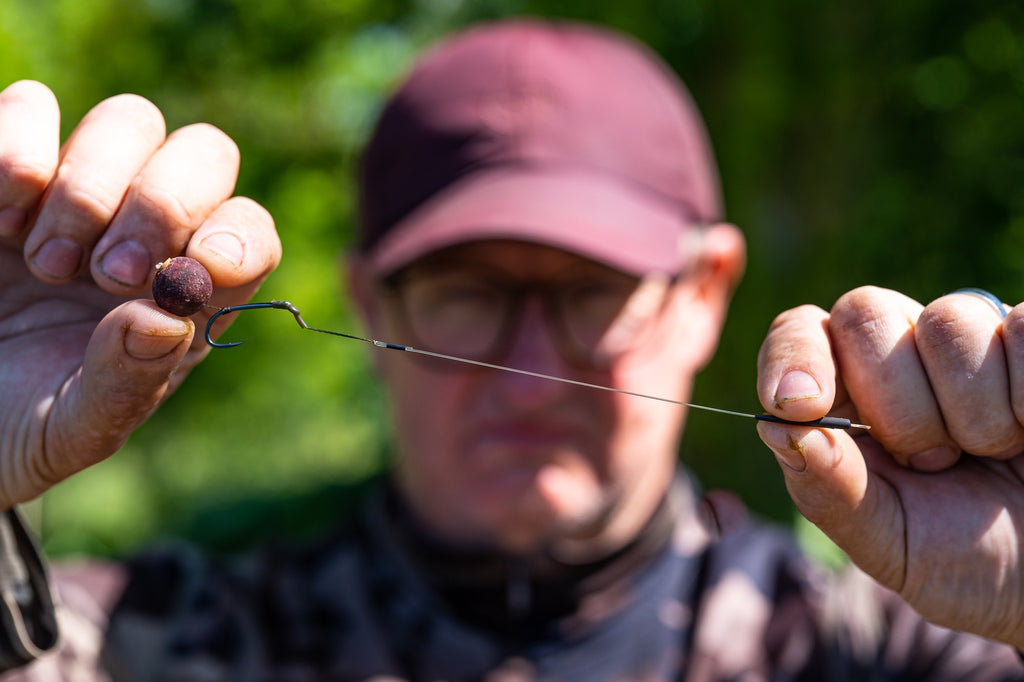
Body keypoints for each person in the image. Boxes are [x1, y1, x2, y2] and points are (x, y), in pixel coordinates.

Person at [0, 16, 1021, 681]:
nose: (528, 369)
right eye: (465, 292)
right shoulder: (141, 644)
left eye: (592, 291)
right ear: (369, 304)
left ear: (702, 296)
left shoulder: (894, 649)